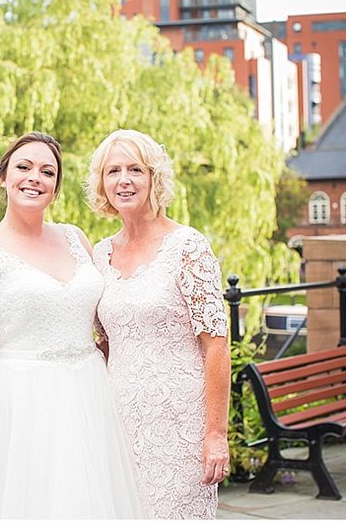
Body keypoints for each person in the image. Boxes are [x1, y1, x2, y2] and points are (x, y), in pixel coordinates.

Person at [0, 132, 146, 518]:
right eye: (24, 167)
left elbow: (101, 314)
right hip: (21, 406)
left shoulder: (76, 238)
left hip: (90, 399)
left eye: (47, 171)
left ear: (56, 187)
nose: (35, 178)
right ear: (3, 177)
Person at [86, 129, 230, 519]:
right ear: (102, 182)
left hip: (181, 423)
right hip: (117, 421)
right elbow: (104, 341)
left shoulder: (188, 246)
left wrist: (216, 434)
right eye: (113, 170)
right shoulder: (99, 255)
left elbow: (216, 344)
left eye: (135, 169)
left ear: (154, 178)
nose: (124, 180)